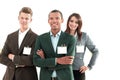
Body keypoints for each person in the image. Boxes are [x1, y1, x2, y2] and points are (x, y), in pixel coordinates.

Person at [33, 9, 76, 80]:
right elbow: (36, 61)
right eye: (51, 18)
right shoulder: (40, 38)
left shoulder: (70, 39)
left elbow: (68, 62)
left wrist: (45, 60)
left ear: (62, 20)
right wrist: (57, 60)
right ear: (48, 21)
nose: (54, 21)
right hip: (46, 77)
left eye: (57, 18)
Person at [0, 7, 38, 80]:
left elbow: (32, 59)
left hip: (27, 77)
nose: (24, 20)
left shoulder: (36, 38)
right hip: (10, 77)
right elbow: (2, 57)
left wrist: (13, 57)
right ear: (18, 18)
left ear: (31, 20)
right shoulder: (10, 37)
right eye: (22, 18)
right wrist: (15, 65)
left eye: (26, 18)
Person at [65, 13, 99, 80]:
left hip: (79, 71)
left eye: (76, 22)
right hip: (64, 71)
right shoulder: (61, 36)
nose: (73, 24)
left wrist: (89, 66)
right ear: (68, 21)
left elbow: (96, 51)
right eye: (71, 21)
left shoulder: (84, 36)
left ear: (79, 24)